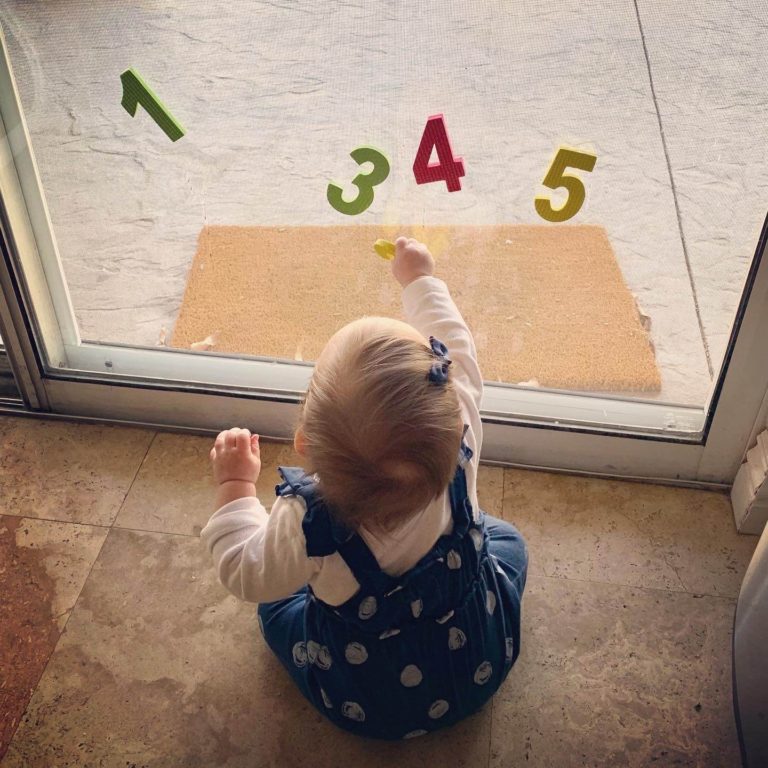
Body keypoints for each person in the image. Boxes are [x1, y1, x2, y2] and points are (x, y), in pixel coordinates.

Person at [201, 236, 528, 740]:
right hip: (478, 664)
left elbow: (244, 572)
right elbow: (454, 343)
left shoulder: (309, 522)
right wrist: (420, 279)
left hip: (371, 701)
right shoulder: (460, 432)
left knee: (276, 604)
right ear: (448, 395)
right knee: (506, 542)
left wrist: (236, 485)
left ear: (304, 444)